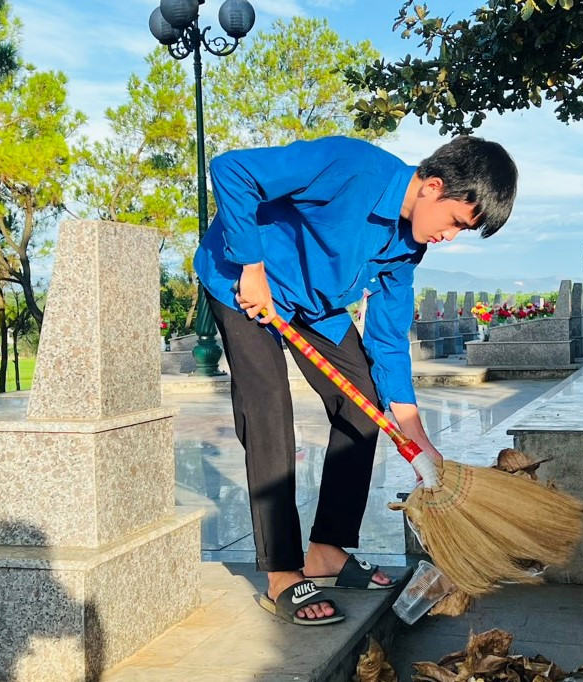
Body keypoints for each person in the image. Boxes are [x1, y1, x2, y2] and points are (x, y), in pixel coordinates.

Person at [194, 135, 518, 625]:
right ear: (433, 186)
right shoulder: (350, 166)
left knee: (362, 404)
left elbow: (387, 339)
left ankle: (326, 550)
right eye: (455, 222)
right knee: (268, 409)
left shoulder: (408, 246)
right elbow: (232, 169)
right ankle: (282, 571)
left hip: (312, 305)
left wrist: (419, 442)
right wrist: (251, 266)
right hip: (243, 282)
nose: (450, 237)